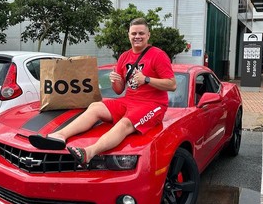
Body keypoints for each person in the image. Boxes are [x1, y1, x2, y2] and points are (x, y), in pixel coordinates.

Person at [29, 17, 177, 165]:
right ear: (128, 35)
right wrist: (115, 81)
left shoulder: (158, 55)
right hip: (129, 101)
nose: (137, 36)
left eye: (141, 33)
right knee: (95, 106)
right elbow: (118, 91)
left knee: (125, 124)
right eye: (134, 33)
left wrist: (146, 79)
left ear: (148, 35)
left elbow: (172, 85)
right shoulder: (124, 56)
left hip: (153, 104)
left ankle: (89, 152)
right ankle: (59, 136)